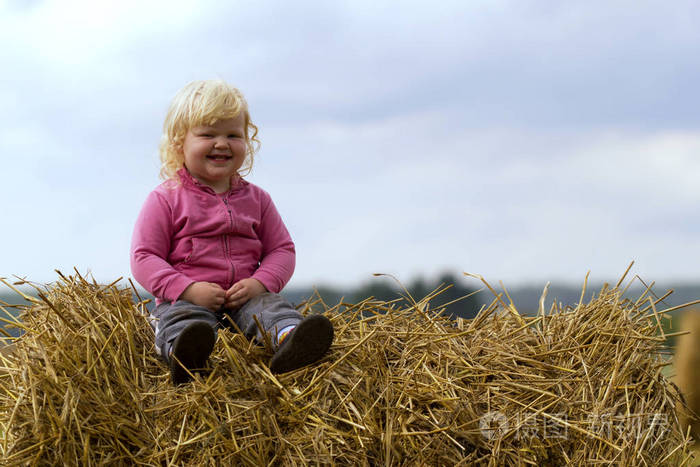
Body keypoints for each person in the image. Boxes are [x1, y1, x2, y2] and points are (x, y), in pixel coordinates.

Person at [130, 80, 333, 384]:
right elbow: (144, 257)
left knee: (273, 309)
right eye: (208, 134)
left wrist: (260, 283)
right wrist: (186, 289)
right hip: (187, 300)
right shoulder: (166, 198)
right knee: (180, 321)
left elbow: (282, 250)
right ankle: (184, 354)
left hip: (245, 299)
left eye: (233, 135)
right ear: (178, 143)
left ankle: (291, 340)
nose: (222, 143)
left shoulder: (258, 199)